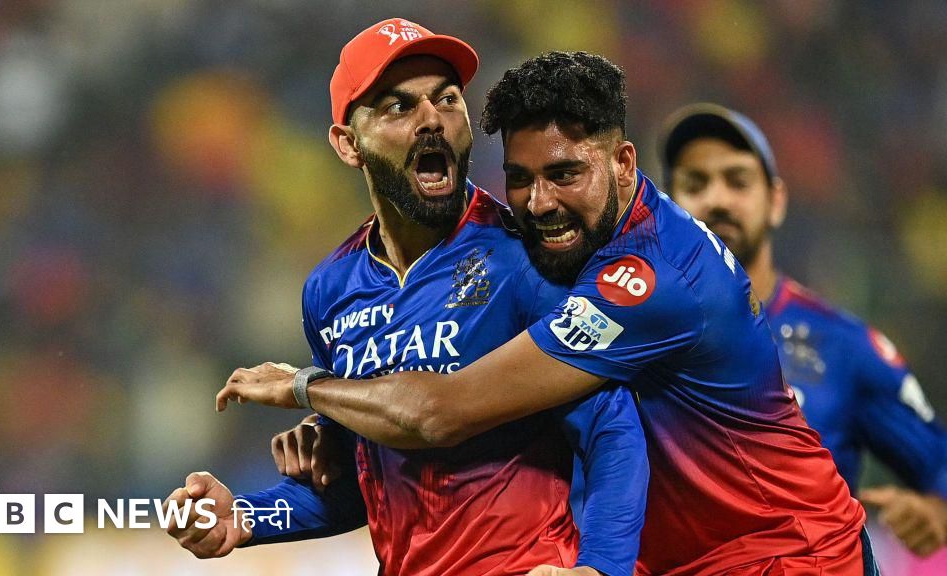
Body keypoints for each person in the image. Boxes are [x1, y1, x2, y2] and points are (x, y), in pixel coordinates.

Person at [219, 51, 882, 575]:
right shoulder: (560, 252)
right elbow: (377, 474)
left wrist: (307, 387)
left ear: (623, 162)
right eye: (520, 177)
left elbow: (441, 412)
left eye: (565, 174)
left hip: (789, 553)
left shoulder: (646, 280)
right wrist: (262, 505)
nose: (538, 203)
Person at [167, 19, 648, 576]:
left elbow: (612, 430)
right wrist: (247, 517)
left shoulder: (525, 256)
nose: (431, 120)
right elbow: (360, 482)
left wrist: (600, 568)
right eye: (398, 107)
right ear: (349, 144)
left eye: (446, 99)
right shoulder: (329, 289)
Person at [658, 102, 947, 558]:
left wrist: (937, 511)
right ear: (666, 208)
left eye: (737, 181)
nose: (716, 200)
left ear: (776, 202)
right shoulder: (626, 334)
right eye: (695, 184)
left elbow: (939, 466)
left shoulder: (841, 346)